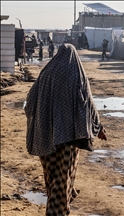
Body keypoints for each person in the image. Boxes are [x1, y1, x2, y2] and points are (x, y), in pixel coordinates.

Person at [24, 43, 107, 216]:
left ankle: (59, 206)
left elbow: (29, 103)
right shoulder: (76, 74)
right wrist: (98, 126)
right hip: (68, 138)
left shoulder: (46, 73)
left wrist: (40, 122)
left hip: (44, 137)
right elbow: (88, 101)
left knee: (52, 178)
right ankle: (57, 212)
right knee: (63, 178)